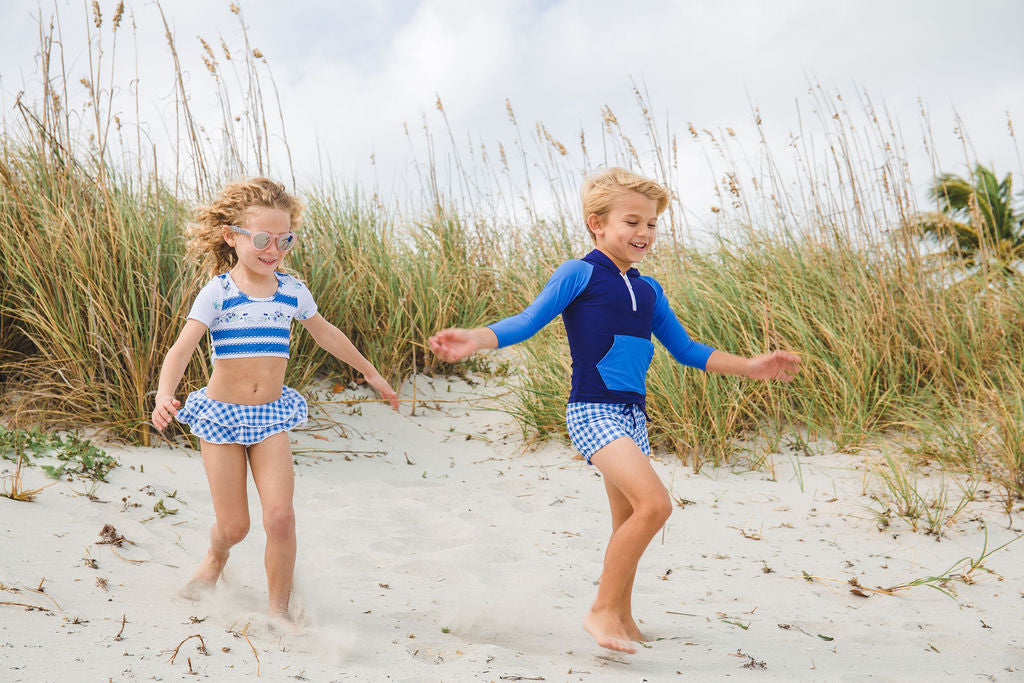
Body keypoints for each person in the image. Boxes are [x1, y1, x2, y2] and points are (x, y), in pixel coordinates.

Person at [429, 167, 800, 654]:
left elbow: (687, 349)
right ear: (597, 224)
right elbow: (526, 321)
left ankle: (622, 617)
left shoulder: (649, 290)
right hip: (592, 410)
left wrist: (750, 366)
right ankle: (602, 610)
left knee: (627, 522)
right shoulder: (579, 273)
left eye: (651, 224)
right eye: (632, 222)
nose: (644, 232)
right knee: (656, 505)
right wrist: (474, 339)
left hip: (632, 417)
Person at [151, 177, 399, 625]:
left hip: (270, 417)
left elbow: (327, 335)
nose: (274, 250)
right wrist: (165, 393)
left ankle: (278, 613)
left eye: (285, 240)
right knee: (235, 527)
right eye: (263, 239)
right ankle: (216, 557)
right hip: (222, 419)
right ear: (232, 237)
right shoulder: (219, 293)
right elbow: (182, 349)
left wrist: (370, 372)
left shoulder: (292, 292)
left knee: (281, 518)